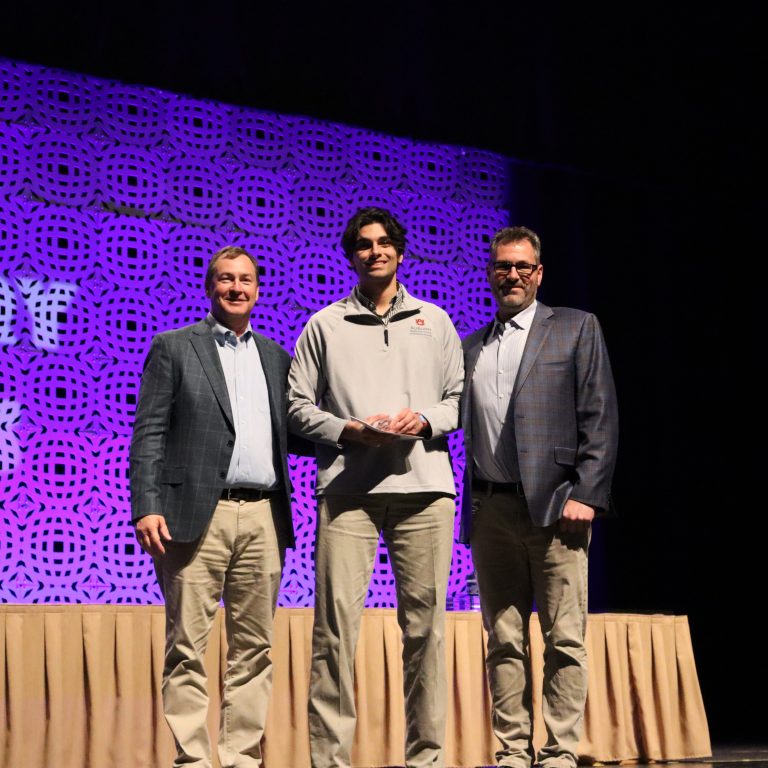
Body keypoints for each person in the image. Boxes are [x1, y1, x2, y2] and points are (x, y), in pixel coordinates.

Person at [287, 206, 464, 768]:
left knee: (425, 633)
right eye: (364, 244)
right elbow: (295, 408)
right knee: (335, 633)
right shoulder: (324, 324)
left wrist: (427, 421)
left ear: (401, 252)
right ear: (352, 255)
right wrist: (347, 430)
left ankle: (426, 759)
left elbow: (460, 399)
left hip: (425, 490)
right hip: (347, 493)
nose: (375, 251)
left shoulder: (434, 321)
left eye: (385, 242)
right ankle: (329, 761)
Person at [130, 245, 296, 768]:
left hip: (264, 516)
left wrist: (360, 433)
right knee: (187, 648)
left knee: (255, 650)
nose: (236, 288)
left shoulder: (276, 356)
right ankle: (194, 761)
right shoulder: (175, 347)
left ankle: (241, 757)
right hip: (193, 514)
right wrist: (146, 504)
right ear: (210, 286)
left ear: (258, 288)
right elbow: (149, 432)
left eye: (245, 279)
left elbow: (295, 432)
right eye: (225, 279)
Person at [460, 226, 618, 768]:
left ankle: (559, 750)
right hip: (489, 510)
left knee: (564, 639)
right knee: (502, 639)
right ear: (491, 273)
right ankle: (511, 749)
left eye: (522, 267)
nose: (512, 276)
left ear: (539, 273)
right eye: (503, 266)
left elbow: (600, 417)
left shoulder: (574, 328)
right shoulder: (471, 346)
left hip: (558, 508)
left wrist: (589, 495)